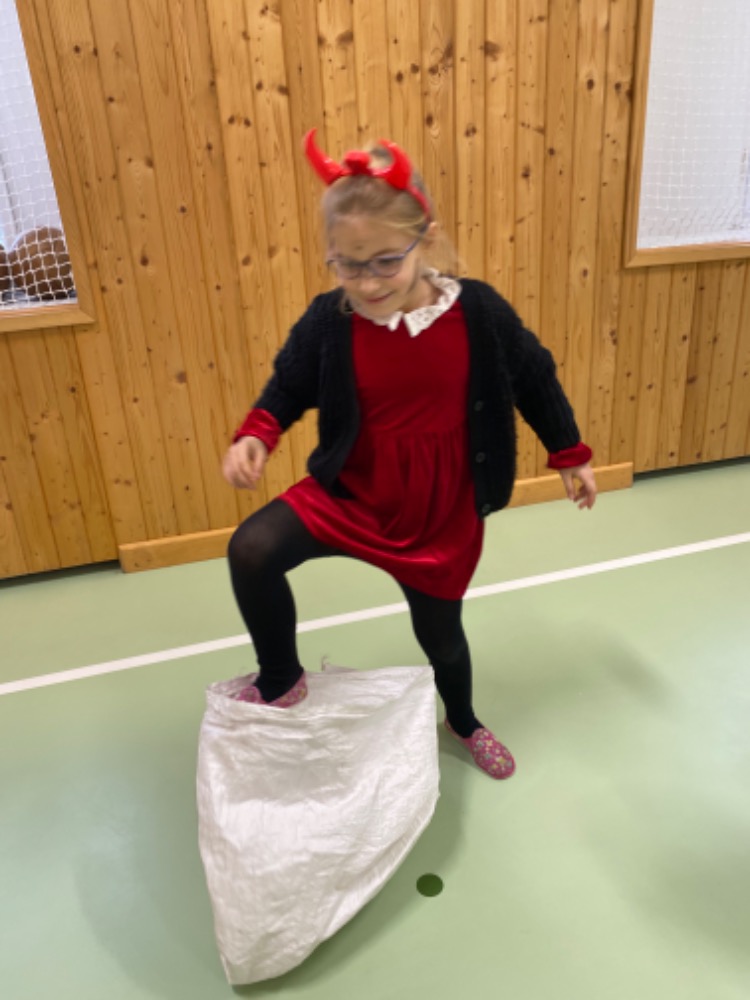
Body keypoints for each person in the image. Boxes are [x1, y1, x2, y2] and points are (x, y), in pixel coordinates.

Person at [222, 128, 597, 780]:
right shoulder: (330, 319)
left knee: (442, 639)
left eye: (385, 261)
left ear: (426, 239)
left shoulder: (477, 313)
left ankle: (464, 719)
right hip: (354, 491)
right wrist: (258, 432)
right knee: (251, 550)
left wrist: (569, 452)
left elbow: (535, 376)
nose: (367, 283)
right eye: (348, 264)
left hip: (437, 512)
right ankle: (281, 678)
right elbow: (289, 383)